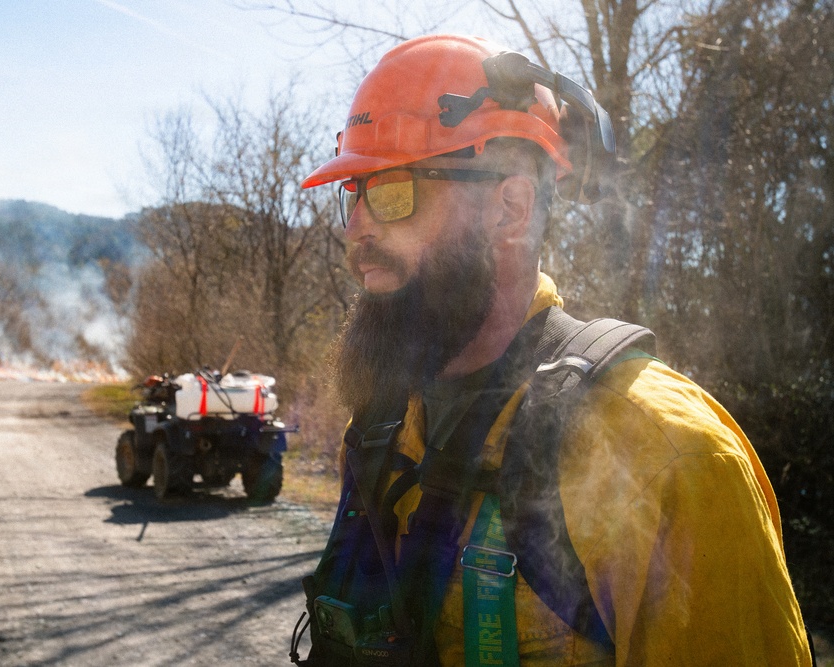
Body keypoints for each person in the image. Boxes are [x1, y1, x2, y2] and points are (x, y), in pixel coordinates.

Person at [290, 34, 813, 666]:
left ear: (510, 208)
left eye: (391, 190)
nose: (357, 232)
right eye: (352, 192)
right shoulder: (380, 429)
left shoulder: (668, 458)